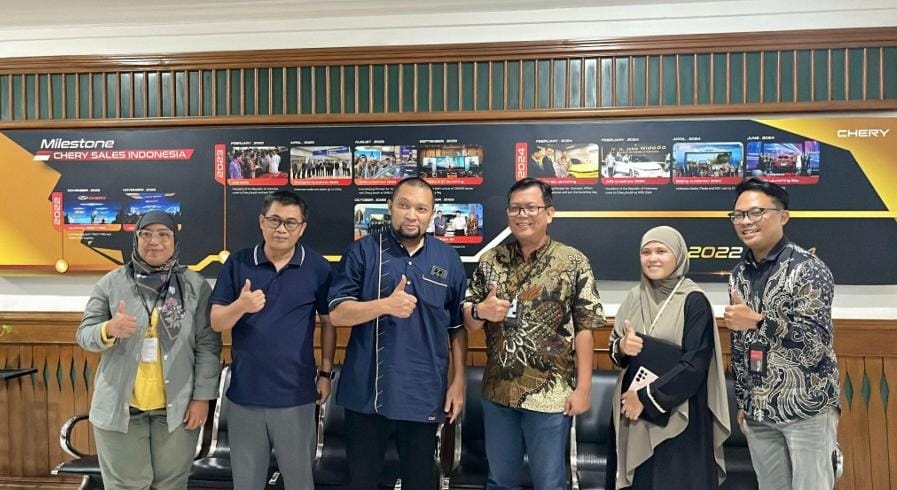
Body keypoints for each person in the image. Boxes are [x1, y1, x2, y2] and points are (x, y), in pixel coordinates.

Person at [464, 178, 605, 489]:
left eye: (530, 208)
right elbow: (470, 321)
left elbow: (585, 327)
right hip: (498, 393)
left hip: (551, 395)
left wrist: (583, 388)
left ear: (549, 213)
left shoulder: (573, 262)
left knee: (549, 483)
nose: (522, 215)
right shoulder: (490, 261)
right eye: (515, 208)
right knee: (500, 481)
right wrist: (480, 311)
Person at [328, 177, 467, 490]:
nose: (411, 215)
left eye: (421, 208)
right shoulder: (362, 251)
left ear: (432, 214)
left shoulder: (447, 259)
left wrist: (458, 382)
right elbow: (337, 313)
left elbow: (457, 327)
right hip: (366, 391)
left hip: (423, 390)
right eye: (404, 205)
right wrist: (384, 305)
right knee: (362, 482)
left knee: (420, 481)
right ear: (390, 206)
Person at [76, 210, 222, 489]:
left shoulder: (194, 286)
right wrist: (108, 329)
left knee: (171, 484)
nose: (154, 241)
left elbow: (208, 346)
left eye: (163, 234)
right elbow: (84, 334)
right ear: (136, 239)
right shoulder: (112, 283)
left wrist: (202, 398)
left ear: (175, 240)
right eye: (146, 234)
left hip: (178, 409)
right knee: (126, 485)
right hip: (121, 408)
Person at [210, 190, 336, 490]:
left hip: (296, 395)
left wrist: (326, 372)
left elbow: (329, 323)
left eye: (290, 223)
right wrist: (241, 306)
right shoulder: (238, 263)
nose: (281, 229)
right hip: (246, 395)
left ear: (302, 228)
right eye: (274, 220)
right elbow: (216, 322)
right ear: (261, 221)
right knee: (247, 483)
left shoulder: (318, 268)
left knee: (299, 482)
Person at [725, 178, 840, 490]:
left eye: (756, 212)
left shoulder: (808, 269)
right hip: (759, 413)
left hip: (806, 407)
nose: (745, 222)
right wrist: (744, 401)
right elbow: (740, 344)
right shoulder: (739, 274)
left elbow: (815, 345)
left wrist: (759, 322)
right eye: (738, 215)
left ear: (783, 216)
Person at [608, 226, 730, 489]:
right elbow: (616, 354)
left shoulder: (694, 301)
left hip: (680, 415)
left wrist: (645, 398)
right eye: (646, 252)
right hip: (634, 416)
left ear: (679, 256)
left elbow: (695, 365)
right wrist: (622, 347)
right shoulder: (633, 297)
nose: (652, 258)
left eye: (661, 251)